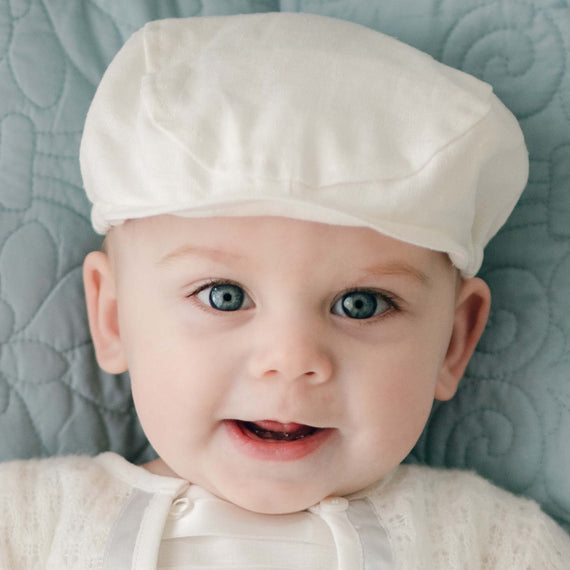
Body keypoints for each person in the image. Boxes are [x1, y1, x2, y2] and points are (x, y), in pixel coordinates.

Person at [1, 12, 569, 569]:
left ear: (453, 341)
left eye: (360, 304)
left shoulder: (495, 541)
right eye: (224, 295)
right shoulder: (25, 522)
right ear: (113, 317)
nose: (293, 360)